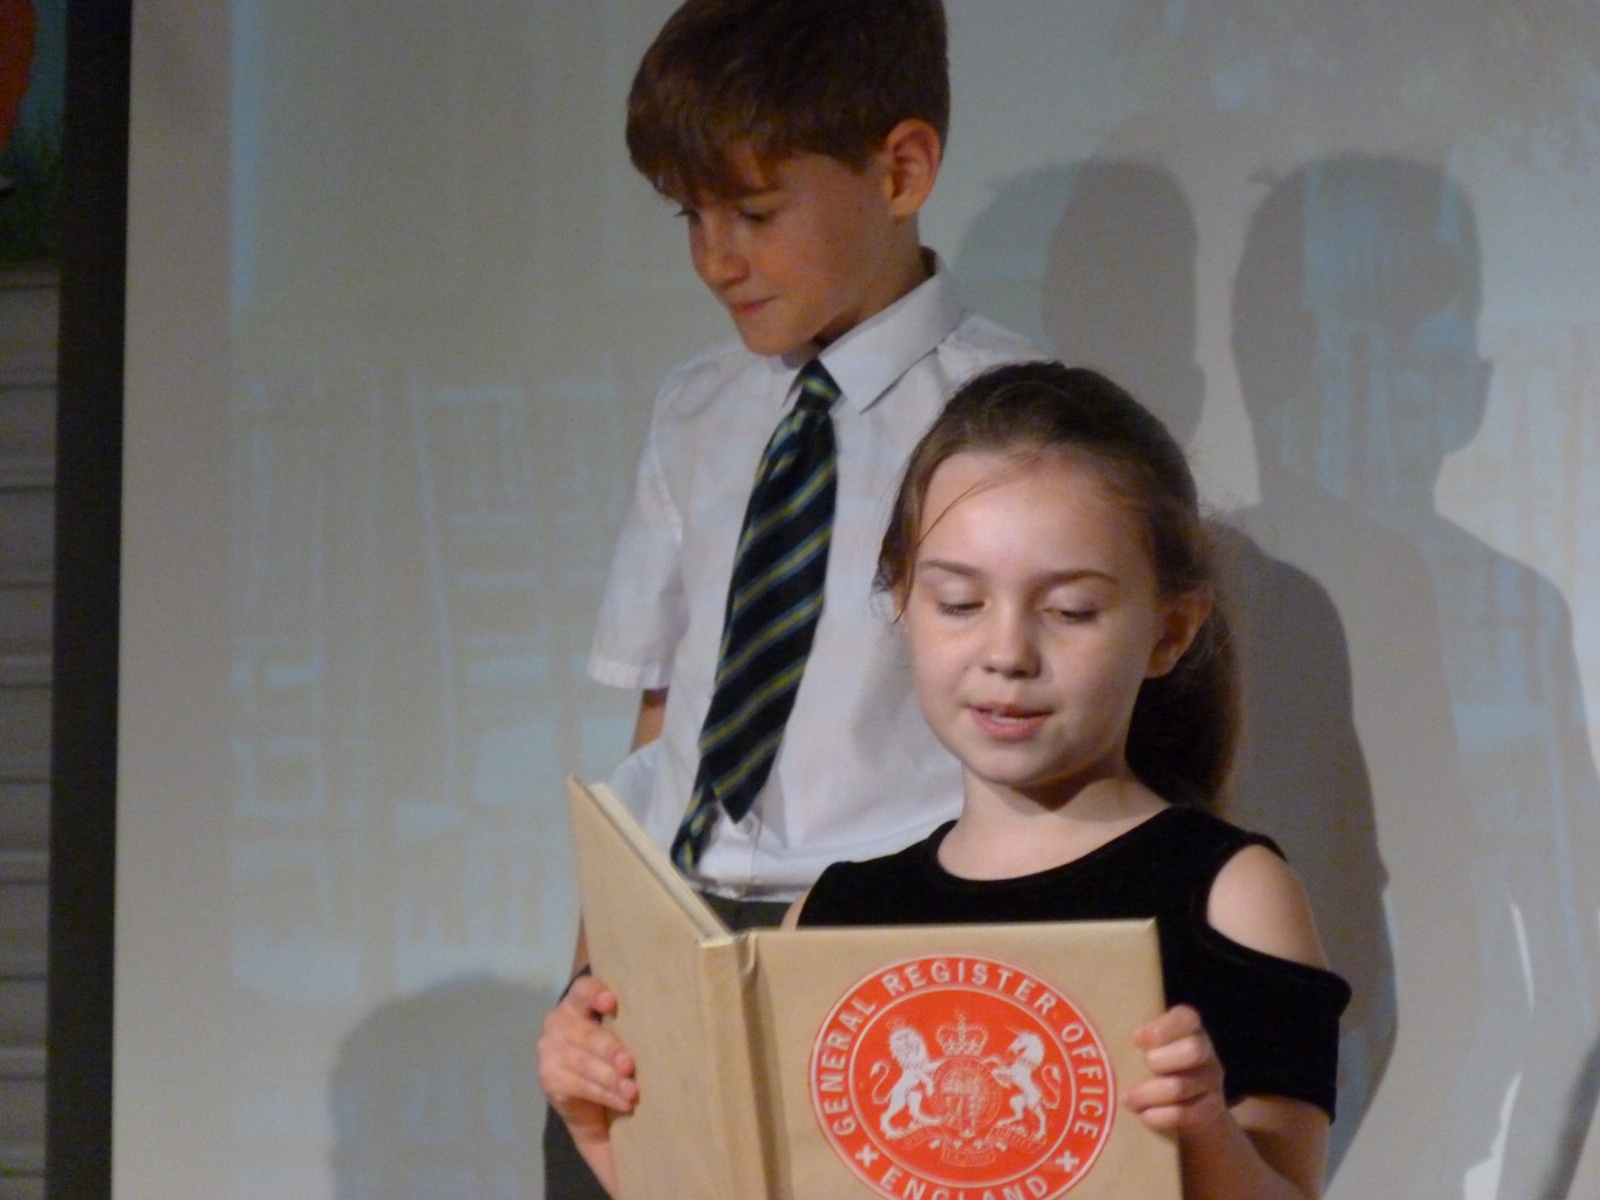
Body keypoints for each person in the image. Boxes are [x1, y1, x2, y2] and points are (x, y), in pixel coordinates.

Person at [539, 1, 1036, 1193]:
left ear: (901, 171)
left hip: (891, 946)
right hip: (677, 936)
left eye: (755, 214)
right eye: (692, 217)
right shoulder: (699, 408)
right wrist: (595, 971)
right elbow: (666, 717)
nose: (716, 259)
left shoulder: (1017, 418)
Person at [789, 362, 1352, 1199]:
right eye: (959, 602)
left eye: (1070, 611)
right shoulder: (830, 917)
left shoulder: (1231, 896)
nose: (1007, 653)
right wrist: (607, 1126)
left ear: (1170, 630)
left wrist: (1203, 1131)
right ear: (903, 600)